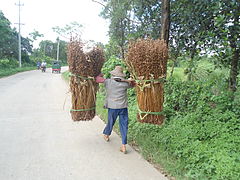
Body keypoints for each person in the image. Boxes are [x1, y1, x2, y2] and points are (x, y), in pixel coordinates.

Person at [96, 66, 135, 154]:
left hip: (113, 107)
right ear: (122, 75)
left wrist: (100, 74)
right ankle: (124, 145)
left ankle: (106, 135)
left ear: (113, 74)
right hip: (123, 108)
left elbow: (97, 79)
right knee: (124, 125)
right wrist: (131, 79)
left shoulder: (108, 82)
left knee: (111, 121)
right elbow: (134, 84)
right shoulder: (126, 84)